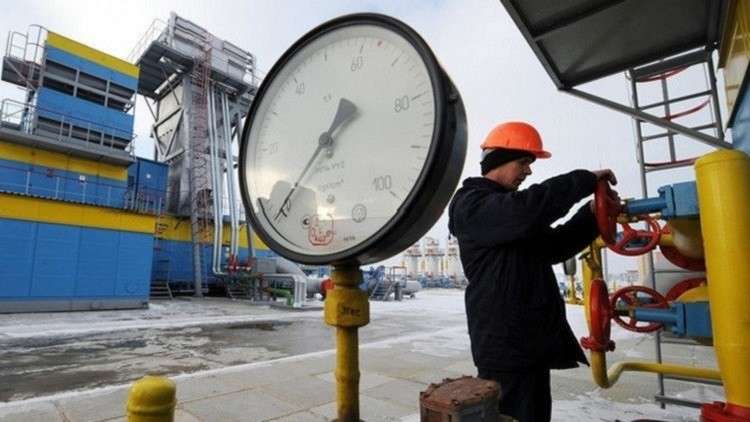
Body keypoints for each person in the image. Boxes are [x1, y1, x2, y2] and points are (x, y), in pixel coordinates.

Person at [447, 121, 618, 421]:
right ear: (499, 160)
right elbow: (526, 210)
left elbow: (553, 247)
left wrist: (590, 216)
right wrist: (583, 180)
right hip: (505, 347)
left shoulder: (509, 216)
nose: (528, 172)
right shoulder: (471, 204)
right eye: (523, 163)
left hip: (528, 344)